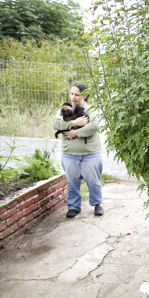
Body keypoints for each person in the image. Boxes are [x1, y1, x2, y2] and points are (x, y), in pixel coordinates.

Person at [52, 84, 104, 218]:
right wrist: (74, 123)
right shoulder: (65, 108)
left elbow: (94, 126)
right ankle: (74, 207)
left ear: (84, 95)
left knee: (93, 181)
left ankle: (97, 204)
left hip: (90, 154)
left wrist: (75, 133)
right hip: (70, 155)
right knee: (72, 183)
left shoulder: (92, 109)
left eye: (77, 94)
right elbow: (56, 124)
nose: (73, 97)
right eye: (71, 94)